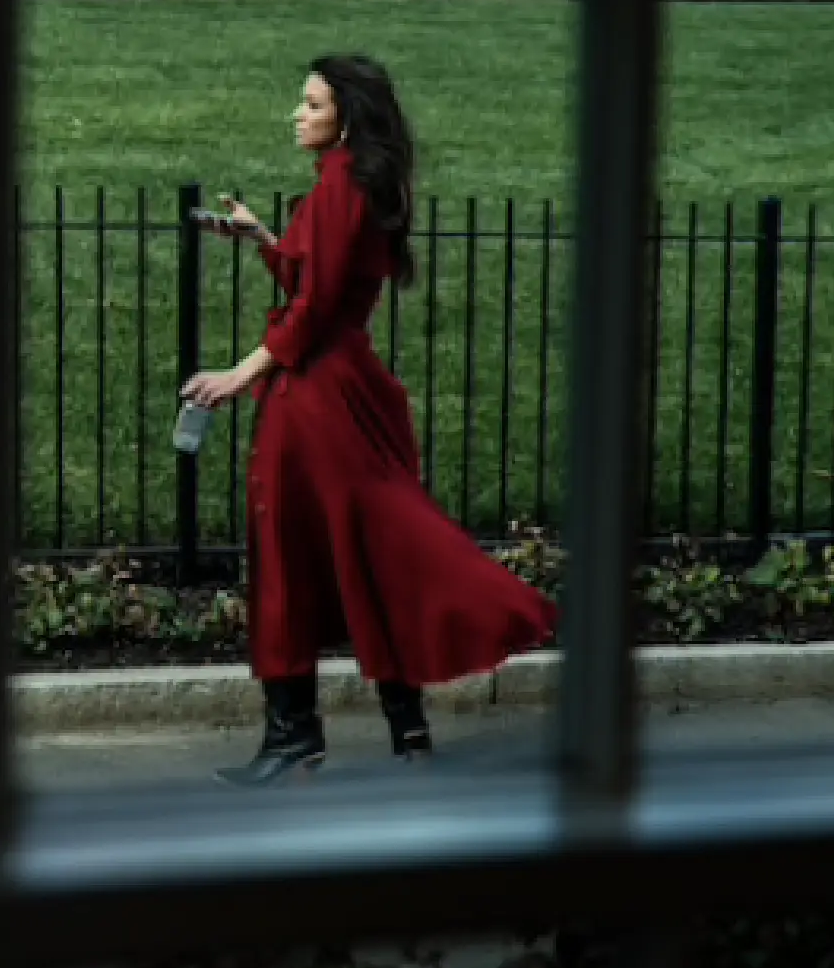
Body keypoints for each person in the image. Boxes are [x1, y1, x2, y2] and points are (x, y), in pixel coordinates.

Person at [182, 54, 559, 788]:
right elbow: (320, 281)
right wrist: (264, 240)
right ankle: (405, 727)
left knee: (291, 555)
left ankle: (295, 739)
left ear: (345, 118)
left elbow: (314, 311)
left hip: (317, 398)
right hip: (345, 385)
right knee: (368, 547)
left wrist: (239, 374)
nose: (297, 113)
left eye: (312, 103)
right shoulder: (351, 186)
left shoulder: (340, 190)